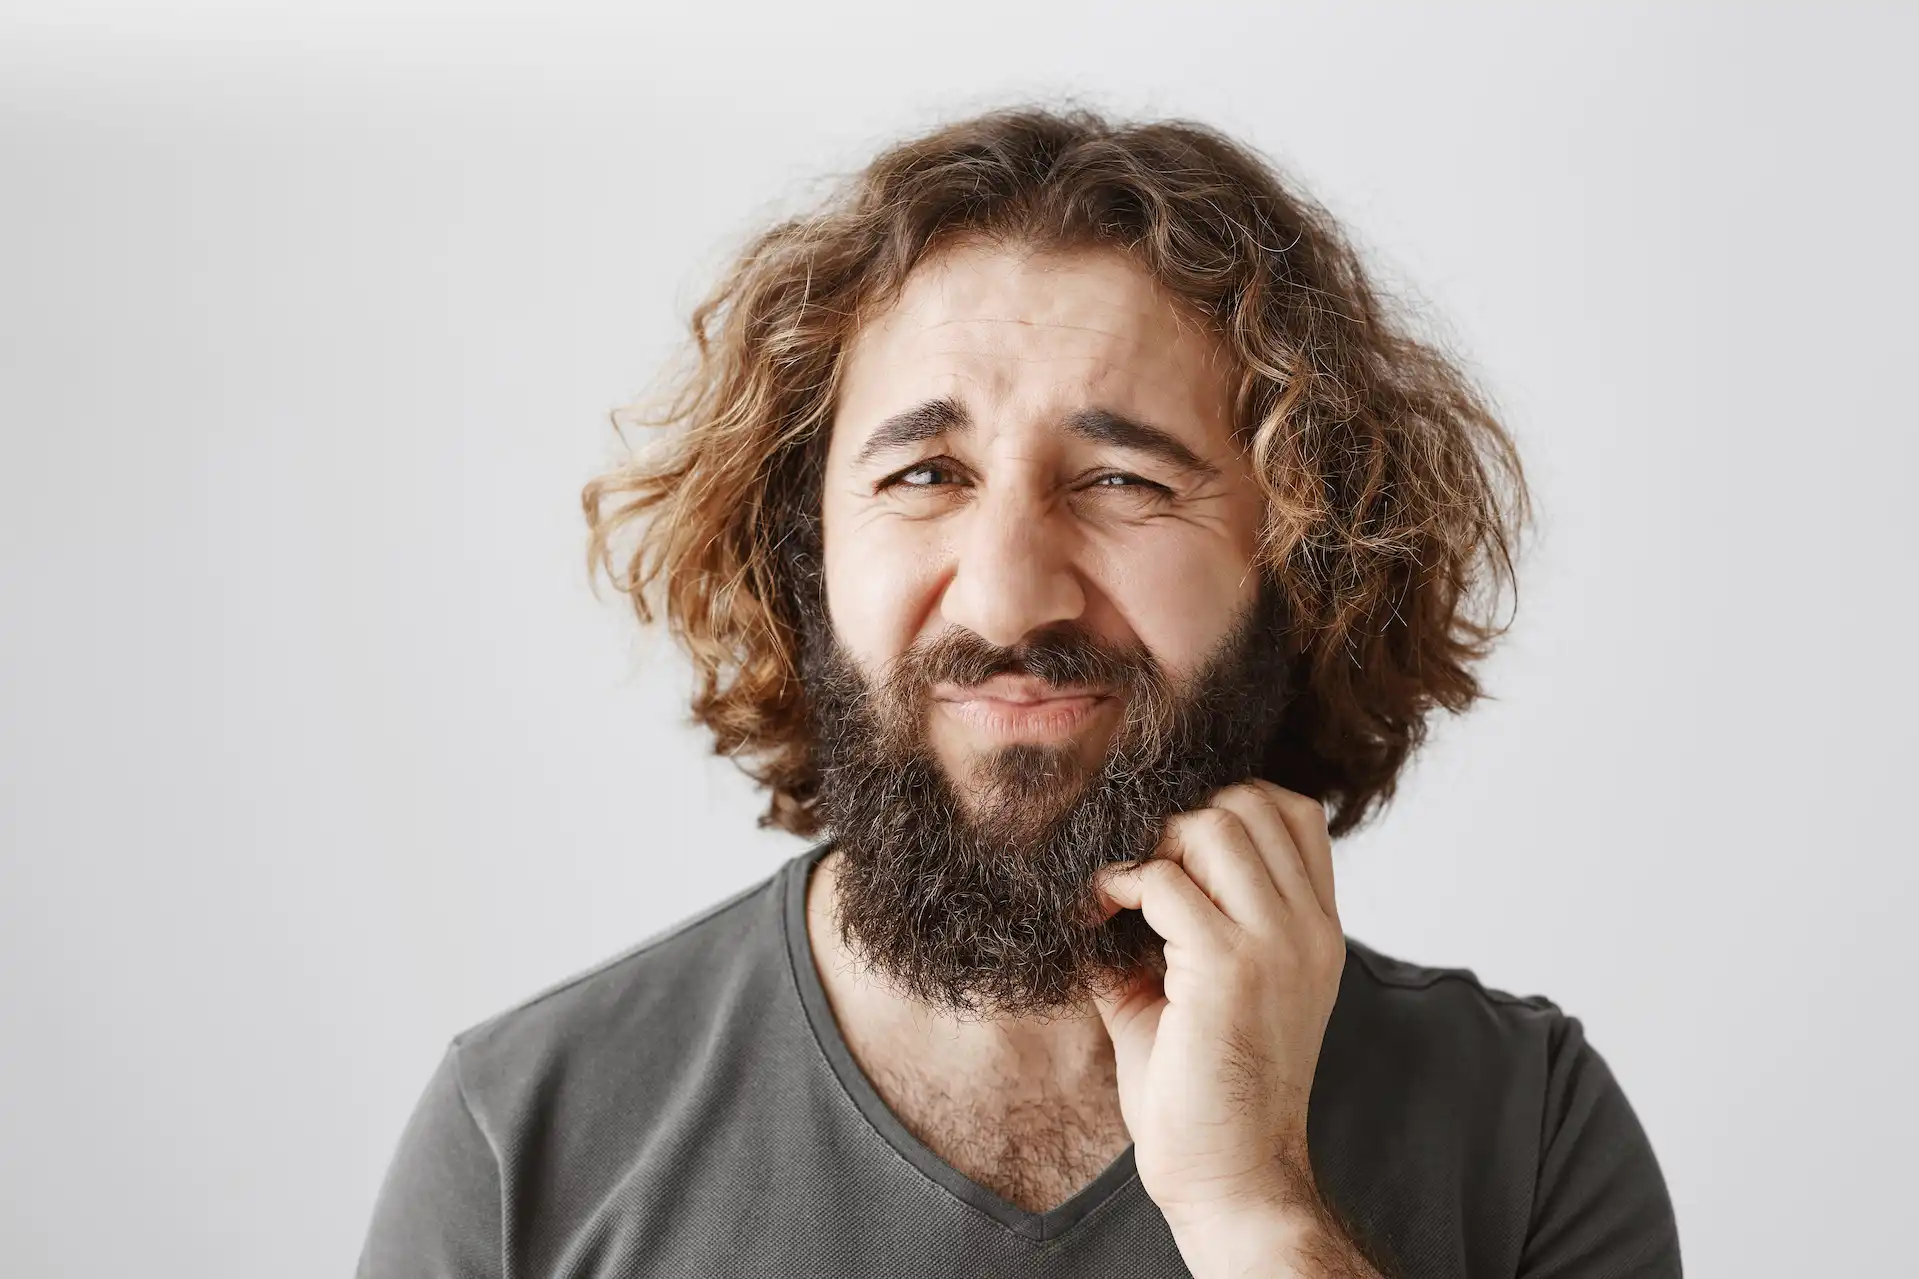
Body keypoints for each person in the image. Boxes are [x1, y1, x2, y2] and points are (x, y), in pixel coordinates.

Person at [357, 106, 1681, 1278]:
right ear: (800, 551)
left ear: (1303, 558)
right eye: (924, 473)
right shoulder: (523, 1138)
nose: (1006, 598)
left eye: (1121, 479)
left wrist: (1258, 1209)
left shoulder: (1521, 1130)